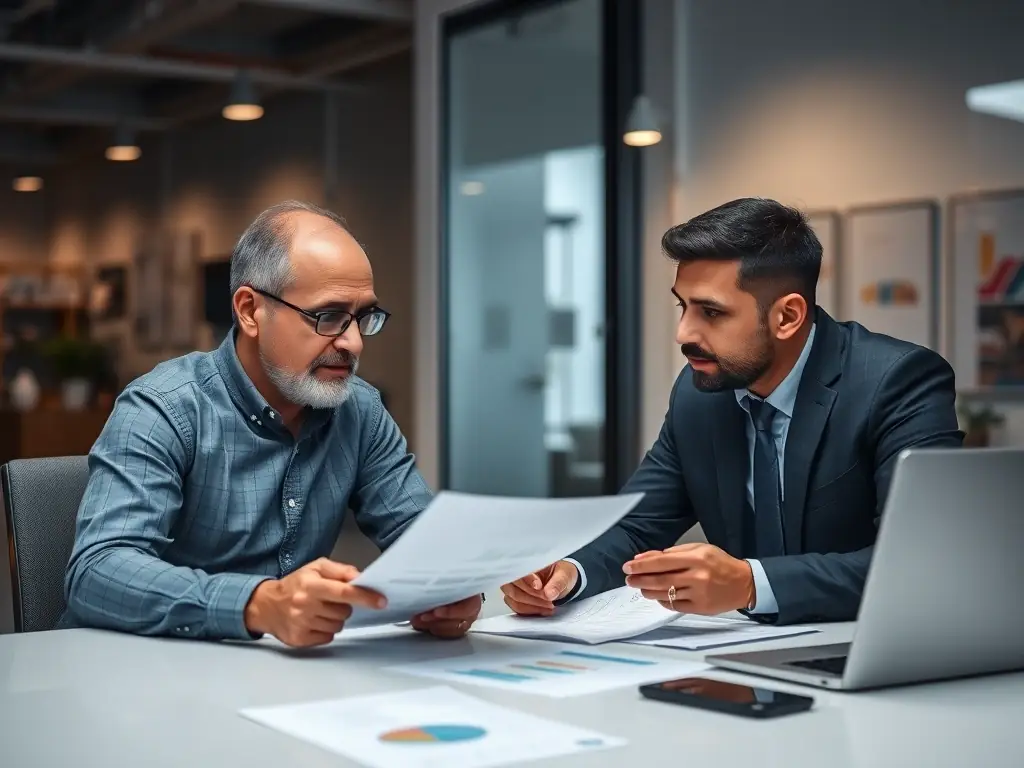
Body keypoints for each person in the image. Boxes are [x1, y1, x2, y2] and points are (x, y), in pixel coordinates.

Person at [502, 197, 963, 625]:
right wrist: (568, 573)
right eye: (683, 307)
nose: (683, 333)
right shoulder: (700, 394)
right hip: (742, 659)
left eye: (711, 312)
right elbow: (638, 527)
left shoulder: (897, 381)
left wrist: (749, 583)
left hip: (868, 650)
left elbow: (921, 561)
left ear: (787, 317)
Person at [63, 201, 481, 647]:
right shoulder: (164, 407)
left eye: (363, 317)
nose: (354, 341)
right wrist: (259, 604)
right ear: (249, 310)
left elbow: (423, 539)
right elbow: (98, 571)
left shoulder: (359, 409)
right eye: (329, 317)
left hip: (279, 677)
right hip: (133, 674)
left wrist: (456, 586)